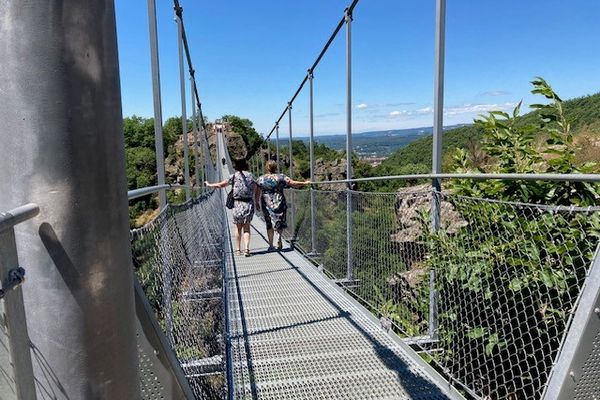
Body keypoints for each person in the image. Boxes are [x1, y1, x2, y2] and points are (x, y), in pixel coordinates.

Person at [256, 160, 311, 251]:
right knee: (280, 221)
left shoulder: (261, 179)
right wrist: (305, 183)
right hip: (279, 201)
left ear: (266, 168)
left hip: (266, 202)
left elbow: (257, 193)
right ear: (276, 167)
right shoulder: (281, 177)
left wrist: (256, 202)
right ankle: (279, 237)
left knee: (269, 223)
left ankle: (270, 245)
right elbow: (293, 183)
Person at [205, 158, 256, 257]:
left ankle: (237, 250)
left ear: (236, 166)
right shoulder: (251, 176)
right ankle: (247, 249)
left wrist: (209, 184)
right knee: (246, 227)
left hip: (237, 204)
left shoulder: (233, 176)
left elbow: (221, 185)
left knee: (237, 227)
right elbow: (256, 186)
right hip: (248, 204)